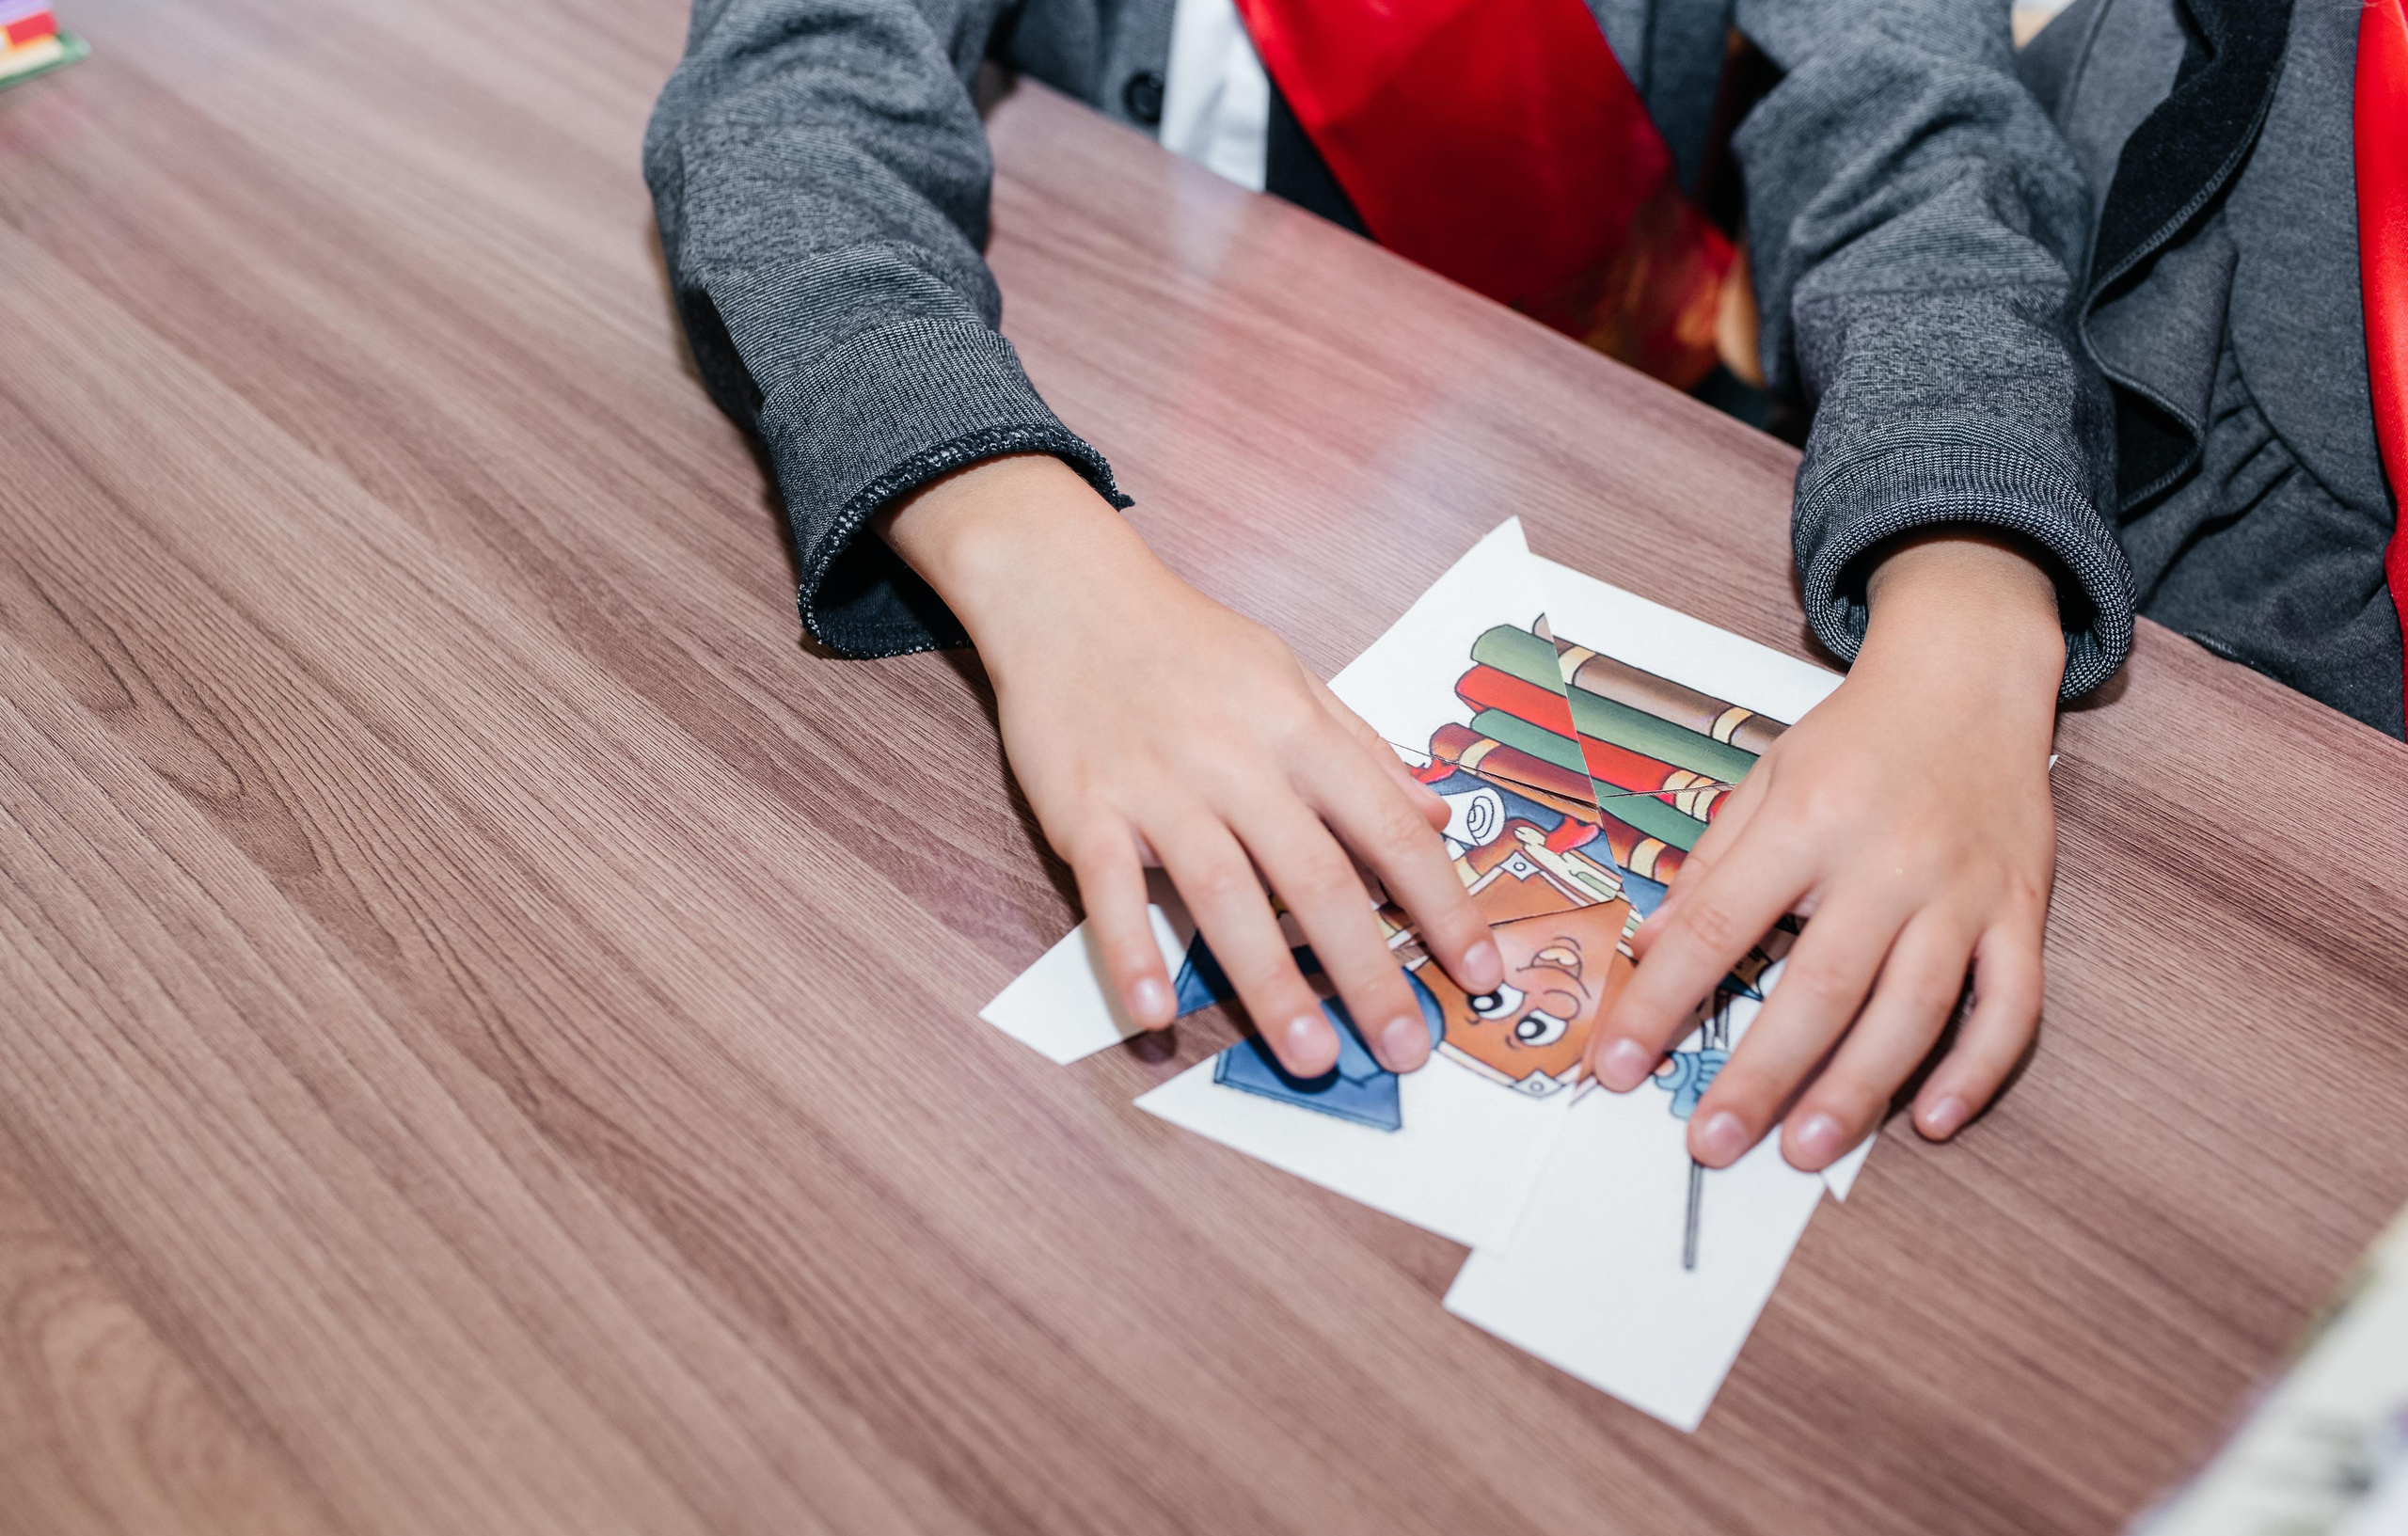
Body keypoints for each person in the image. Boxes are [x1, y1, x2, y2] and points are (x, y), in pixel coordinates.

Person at [642, 0, 2400, 1174]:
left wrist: (1972, 601)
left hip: (1597, 485)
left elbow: (1914, 140)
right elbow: (791, 93)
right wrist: (1025, 547)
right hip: (1107, 446)